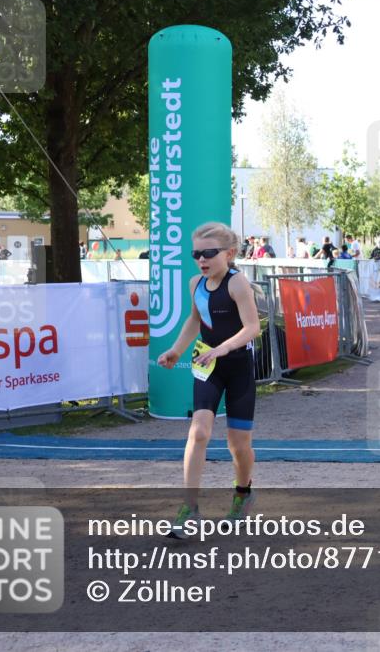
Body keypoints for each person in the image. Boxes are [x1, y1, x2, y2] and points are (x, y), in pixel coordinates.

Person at [157, 222, 261, 538]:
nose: (202, 260)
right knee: (198, 432)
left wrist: (223, 348)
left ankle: (243, 493)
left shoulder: (238, 283)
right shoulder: (195, 284)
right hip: (208, 365)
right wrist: (176, 349)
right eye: (196, 254)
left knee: (237, 444)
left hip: (238, 367)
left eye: (209, 254)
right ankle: (190, 509)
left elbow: (252, 327)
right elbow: (195, 318)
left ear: (229, 254)